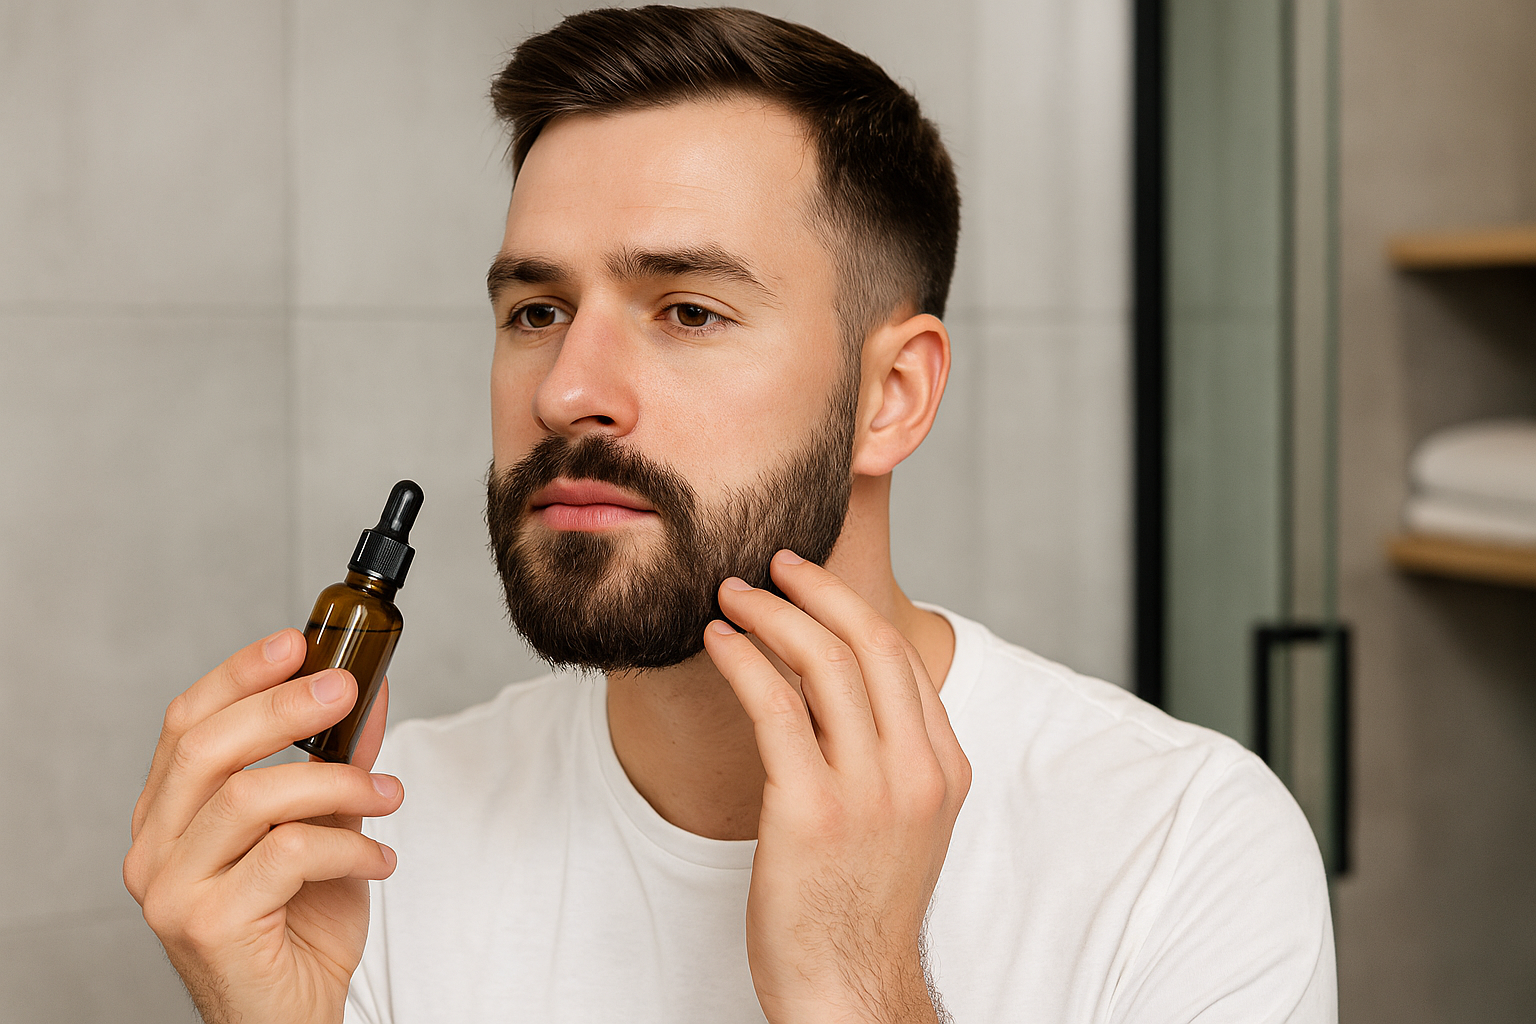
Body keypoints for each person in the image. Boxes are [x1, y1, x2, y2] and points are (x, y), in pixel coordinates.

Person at [123, 7, 1336, 1023]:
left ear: (890, 396)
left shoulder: (1179, 849)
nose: (567, 392)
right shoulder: (377, 843)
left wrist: (862, 988)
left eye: (688, 310)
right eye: (536, 311)